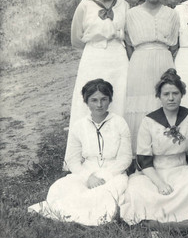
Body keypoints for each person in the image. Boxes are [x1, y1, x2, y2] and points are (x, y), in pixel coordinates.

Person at [28, 79, 132, 226]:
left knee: (103, 193)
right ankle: (79, 214)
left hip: (114, 173)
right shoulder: (79, 126)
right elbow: (72, 160)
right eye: (94, 100)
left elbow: (125, 159)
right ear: (86, 101)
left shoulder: (119, 123)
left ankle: (86, 217)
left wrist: (104, 176)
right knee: (60, 188)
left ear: (110, 100)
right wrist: (88, 177)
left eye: (104, 99)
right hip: (87, 172)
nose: (99, 104)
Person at [120, 69, 188, 224]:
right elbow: (143, 160)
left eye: (175, 93)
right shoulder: (149, 121)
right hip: (154, 171)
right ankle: (158, 215)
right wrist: (160, 184)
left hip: (181, 167)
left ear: (182, 94)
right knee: (136, 187)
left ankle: (184, 214)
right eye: (166, 94)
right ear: (159, 96)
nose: (171, 98)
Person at [124, 0, 180, 156]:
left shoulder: (172, 14)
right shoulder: (131, 14)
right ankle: (139, 154)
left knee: (163, 101)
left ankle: (165, 150)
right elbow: (129, 43)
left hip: (164, 60)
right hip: (139, 62)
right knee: (140, 104)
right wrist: (139, 61)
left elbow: (174, 45)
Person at [69, 0, 129, 130]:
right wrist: (96, 48)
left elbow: (128, 34)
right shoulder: (85, 5)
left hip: (118, 57)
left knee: (118, 98)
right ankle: (87, 145)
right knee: (92, 97)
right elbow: (76, 39)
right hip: (94, 57)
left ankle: (116, 143)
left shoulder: (123, 5)